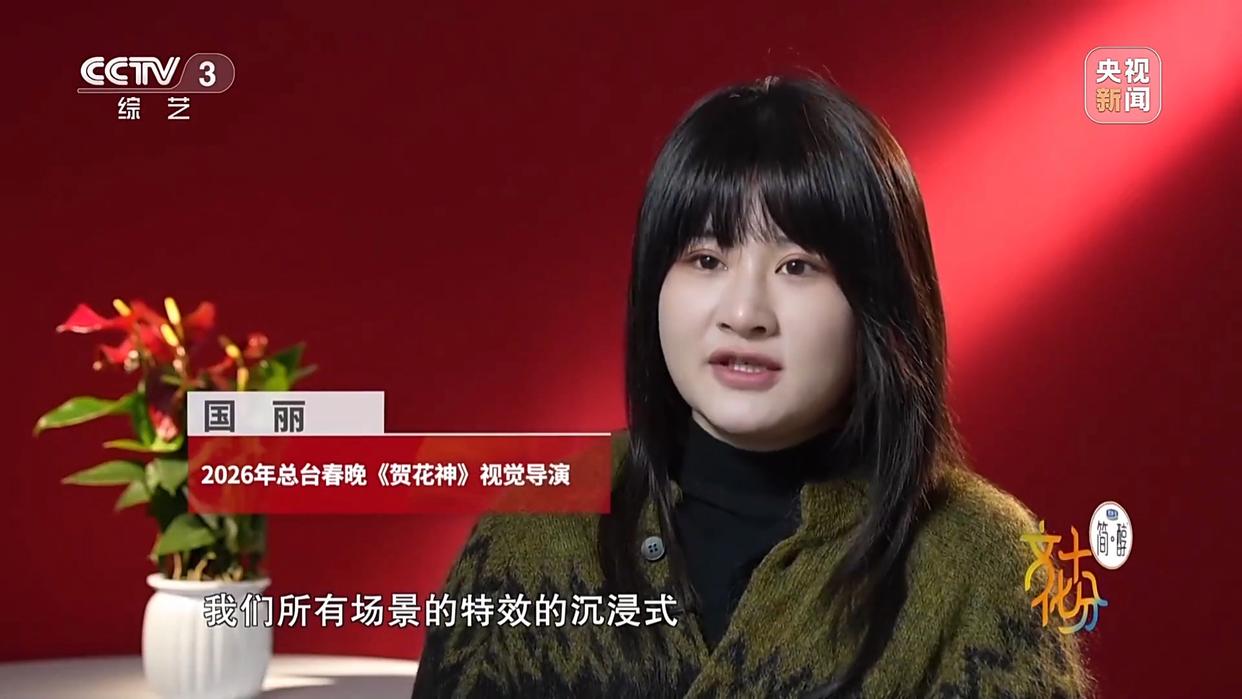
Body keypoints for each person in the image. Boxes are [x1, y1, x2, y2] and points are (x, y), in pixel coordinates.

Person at [410, 73, 1094, 698]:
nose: (743, 314)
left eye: (798, 266)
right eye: (706, 258)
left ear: (879, 302)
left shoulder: (979, 560)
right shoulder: (535, 525)